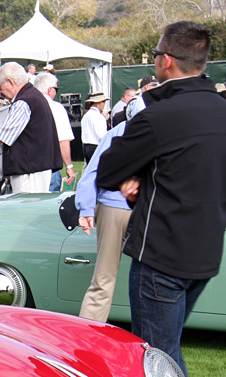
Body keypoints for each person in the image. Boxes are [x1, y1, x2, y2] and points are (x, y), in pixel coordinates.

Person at [96, 21, 226, 377]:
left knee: (154, 365)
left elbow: (111, 168)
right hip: (203, 251)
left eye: (156, 54)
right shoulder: (225, 113)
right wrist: (143, 172)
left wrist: (136, 173)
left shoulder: (161, 115)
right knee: (168, 356)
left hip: (163, 252)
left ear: (166, 60)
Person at [74, 96, 142, 323]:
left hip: (115, 206)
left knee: (104, 277)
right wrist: (85, 208)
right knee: (152, 277)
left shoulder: (117, 132)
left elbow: (92, 171)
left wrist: (86, 208)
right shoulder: (162, 133)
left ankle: (88, 332)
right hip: (144, 207)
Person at [0, 62, 62, 193]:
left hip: (30, 171)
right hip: (36, 168)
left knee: (26, 211)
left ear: (10, 82)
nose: (0, 91)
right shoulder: (35, 96)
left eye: (0, 86)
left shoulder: (24, 102)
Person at [33, 71, 76, 191]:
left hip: (26, 167)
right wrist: (69, 166)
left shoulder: (24, 104)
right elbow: (63, 140)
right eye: (56, 89)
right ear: (50, 89)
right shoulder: (56, 108)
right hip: (48, 166)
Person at [81, 93, 109, 163]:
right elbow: (102, 135)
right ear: (97, 103)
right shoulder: (98, 116)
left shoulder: (86, 115)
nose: (104, 104)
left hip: (86, 147)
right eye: (103, 102)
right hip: (95, 147)